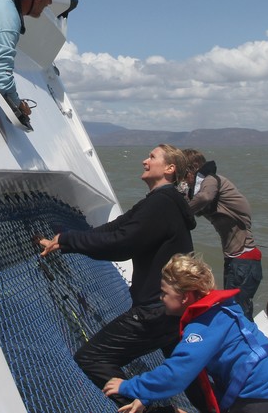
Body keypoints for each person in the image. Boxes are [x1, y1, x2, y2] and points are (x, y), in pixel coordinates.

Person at [38, 144, 197, 409]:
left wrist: (69, 240)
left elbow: (122, 243)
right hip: (173, 310)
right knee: (190, 381)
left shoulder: (162, 203)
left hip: (157, 309)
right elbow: (117, 227)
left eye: (152, 157)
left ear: (170, 169)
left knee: (93, 357)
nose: (144, 161)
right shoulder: (161, 201)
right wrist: (64, 240)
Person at [103, 254, 268, 413]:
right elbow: (188, 367)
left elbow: (176, 375)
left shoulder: (203, 326)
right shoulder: (224, 309)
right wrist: (147, 396)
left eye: (165, 292)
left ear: (185, 297)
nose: (161, 297)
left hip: (264, 402)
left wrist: (127, 387)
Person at [182, 149, 262, 320]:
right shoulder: (203, 185)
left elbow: (204, 198)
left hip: (243, 260)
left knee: (237, 312)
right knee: (236, 310)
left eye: (183, 173)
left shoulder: (211, 180)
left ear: (193, 170)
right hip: (237, 260)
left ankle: (247, 345)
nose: (182, 179)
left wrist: (182, 210)